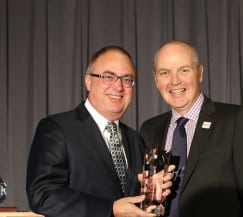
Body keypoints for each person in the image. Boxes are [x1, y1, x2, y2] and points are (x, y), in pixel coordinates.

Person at [26, 46, 173, 217]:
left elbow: (131, 204)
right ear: (88, 81)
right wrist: (109, 209)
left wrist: (152, 196)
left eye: (127, 79)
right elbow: (43, 195)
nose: (118, 87)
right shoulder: (57, 129)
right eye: (108, 77)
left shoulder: (135, 139)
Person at [139, 40, 243, 217]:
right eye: (165, 73)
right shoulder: (149, 129)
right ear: (156, 79)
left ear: (200, 73)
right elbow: (150, 203)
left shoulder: (235, 120)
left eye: (184, 70)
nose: (174, 81)